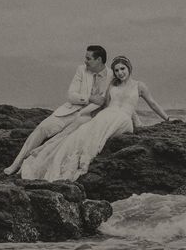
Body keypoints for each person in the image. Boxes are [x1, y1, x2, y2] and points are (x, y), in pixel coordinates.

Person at [20, 55, 172, 181]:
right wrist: (84, 113)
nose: (120, 73)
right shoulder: (112, 85)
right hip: (107, 115)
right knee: (81, 134)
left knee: (100, 131)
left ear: (129, 68)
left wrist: (167, 119)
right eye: (117, 70)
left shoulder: (139, 86)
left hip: (123, 121)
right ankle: (55, 161)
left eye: (122, 69)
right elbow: (104, 104)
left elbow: (152, 104)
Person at [3, 45, 112, 175]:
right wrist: (90, 98)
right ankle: (16, 163)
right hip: (69, 111)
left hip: (88, 117)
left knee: (65, 136)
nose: (85, 61)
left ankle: (36, 160)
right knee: (42, 128)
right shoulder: (81, 70)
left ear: (99, 60)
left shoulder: (111, 75)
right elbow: (71, 95)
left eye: (88, 58)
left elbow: (112, 99)